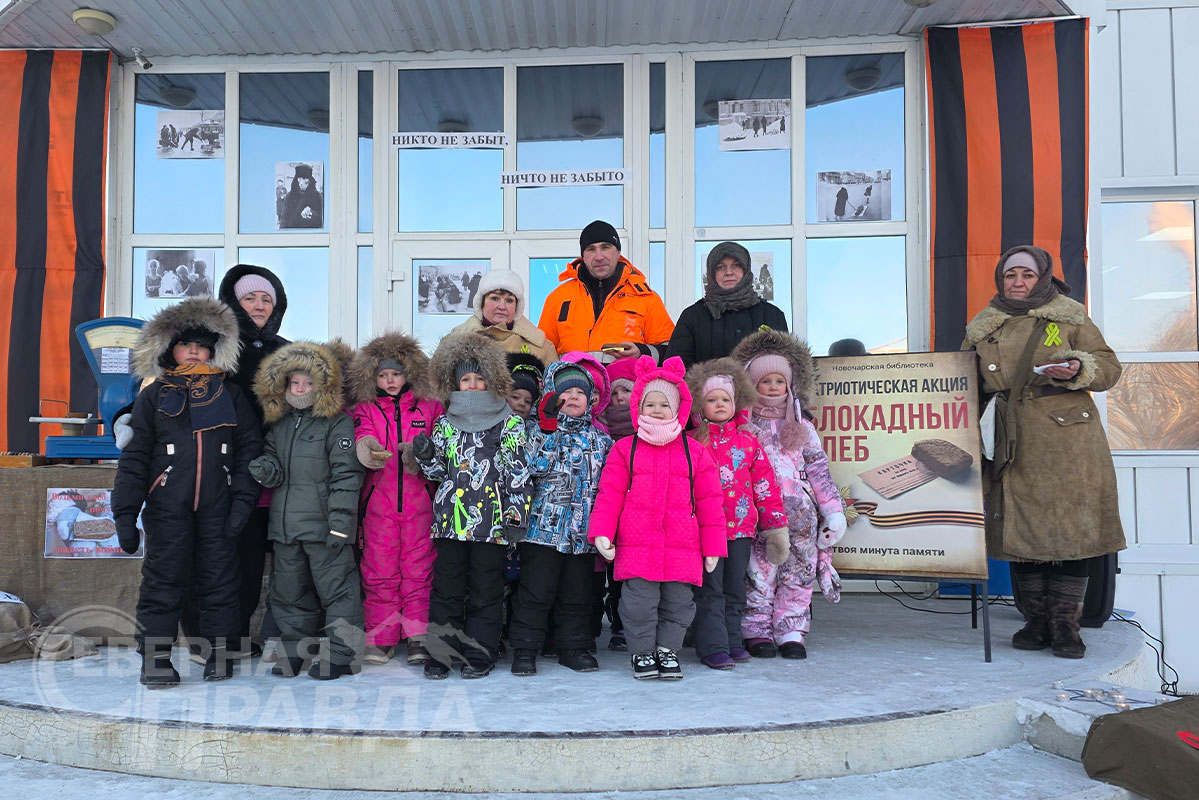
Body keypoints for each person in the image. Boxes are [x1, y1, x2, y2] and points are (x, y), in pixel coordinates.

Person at [961, 245, 1125, 659]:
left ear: (1043, 278)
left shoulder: (1068, 316)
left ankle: (1066, 626)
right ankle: (1035, 621)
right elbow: (962, 378)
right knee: (1021, 527)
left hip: (1066, 442)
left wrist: (1078, 368)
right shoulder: (983, 326)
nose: (1018, 282)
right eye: (1010, 275)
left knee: (1070, 530)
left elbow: (1108, 367)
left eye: (1027, 275)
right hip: (1009, 438)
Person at [112, 297, 262, 687]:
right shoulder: (153, 396)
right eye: (185, 344)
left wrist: (241, 502)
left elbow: (250, 451)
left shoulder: (230, 395)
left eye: (201, 345)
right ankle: (155, 660)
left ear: (215, 350)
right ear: (169, 349)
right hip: (167, 509)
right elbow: (135, 458)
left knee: (221, 582)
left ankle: (220, 654)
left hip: (219, 508)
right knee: (162, 583)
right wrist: (125, 514)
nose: (194, 351)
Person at [588, 356, 725, 680]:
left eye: (665, 404)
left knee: (679, 604)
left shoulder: (695, 452)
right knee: (638, 605)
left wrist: (713, 547)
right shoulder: (625, 449)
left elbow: (710, 503)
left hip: (683, 546)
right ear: (639, 407)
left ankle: (667, 650)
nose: (657, 410)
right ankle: (643, 652)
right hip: (637, 545)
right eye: (650, 404)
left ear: (677, 408)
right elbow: (610, 495)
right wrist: (602, 532)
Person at [411, 332, 532, 679]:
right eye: (466, 379)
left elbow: (517, 473)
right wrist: (426, 456)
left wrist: (516, 515)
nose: (474, 385)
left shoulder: (509, 422)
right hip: (450, 523)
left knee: (486, 591)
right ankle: (441, 653)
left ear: (491, 380)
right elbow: (438, 473)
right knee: (446, 590)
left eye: (480, 378)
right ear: (455, 383)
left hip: (491, 525)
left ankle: (480, 652)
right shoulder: (445, 424)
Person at [249, 342, 365, 680]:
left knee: (338, 591)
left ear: (322, 386)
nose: (300, 389)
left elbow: (346, 475)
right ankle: (294, 652)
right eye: (295, 382)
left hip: (324, 527)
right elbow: (276, 469)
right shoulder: (280, 424)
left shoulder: (336, 424)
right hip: (286, 528)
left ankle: (342, 654)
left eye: (308, 383)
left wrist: (340, 523)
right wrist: (265, 468)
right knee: (288, 594)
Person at [731, 329, 846, 660]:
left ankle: (791, 630)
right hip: (757, 516)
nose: (772, 387)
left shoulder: (801, 425)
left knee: (798, 572)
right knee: (759, 572)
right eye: (764, 381)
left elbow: (818, 468)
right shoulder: (743, 425)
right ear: (751, 385)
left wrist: (833, 510)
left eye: (779, 381)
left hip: (800, 516)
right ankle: (756, 629)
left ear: (790, 384)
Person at [509, 359, 613, 676]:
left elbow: (609, 486)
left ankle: (574, 647)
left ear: (590, 399)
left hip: (581, 536)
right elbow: (531, 467)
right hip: (542, 532)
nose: (574, 397)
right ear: (552, 397)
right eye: (566, 393)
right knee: (535, 592)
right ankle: (525, 649)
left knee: (577, 595)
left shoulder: (601, 440)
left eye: (581, 392)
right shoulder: (536, 431)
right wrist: (547, 428)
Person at [347, 332, 444, 667]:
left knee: (419, 570)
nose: (390, 381)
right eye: (383, 375)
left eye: (396, 374)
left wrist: (421, 453)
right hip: (379, 504)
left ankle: (418, 636)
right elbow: (361, 431)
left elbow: (439, 442)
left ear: (410, 374)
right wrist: (366, 445)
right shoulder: (366, 407)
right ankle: (381, 637)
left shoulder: (430, 407)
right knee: (379, 570)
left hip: (420, 504)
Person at [686, 357, 788, 670]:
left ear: (736, 404)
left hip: (740, 530)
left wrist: (775, 527)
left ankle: (732, 641)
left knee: (734, 589)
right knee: (710, 590)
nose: (719, 404)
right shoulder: (692, 443)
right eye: (711, 399)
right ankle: (712, 646)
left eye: (725, 400)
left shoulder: (748, 443)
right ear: (700, 406)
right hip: (704, 532)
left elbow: (765, 487)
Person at [537, 220, 674, 362]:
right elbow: (540, 353)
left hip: (627, 377)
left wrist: (641, 352)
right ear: (583, 256)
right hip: (572, 377)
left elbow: (671, 351)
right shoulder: (558, 298)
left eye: (605, 247)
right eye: (591, 249)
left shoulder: (646, 298)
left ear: (618, 252)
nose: (599, 257)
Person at [667, 241, 788, 368]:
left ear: (746, 269)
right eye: (720, 267)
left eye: (736, 265)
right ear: (712, 273)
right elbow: (674, 369)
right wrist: (713, 372)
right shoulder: (692, 316)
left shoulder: (772, 315)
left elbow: (787, 367)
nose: (729, 272)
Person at [451, 269, 557, 365]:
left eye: (509, 300)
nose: (502, 307)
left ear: (517, 307)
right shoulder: (455, 342)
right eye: (495, 298)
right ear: (481, 302)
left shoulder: (541, 347)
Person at [281, 164, 323, 229]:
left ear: (310, 180)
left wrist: (311, 214)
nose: (301, 183)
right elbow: (284, 219)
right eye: (299, 178)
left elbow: (320, 221)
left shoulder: (317, 196)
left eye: (305, 178)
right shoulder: (289, 196)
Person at [505, 351, 544, 419]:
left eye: (528, 401)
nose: (522, 403)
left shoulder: (535, 425)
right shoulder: (492, 423)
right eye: (515, 397)